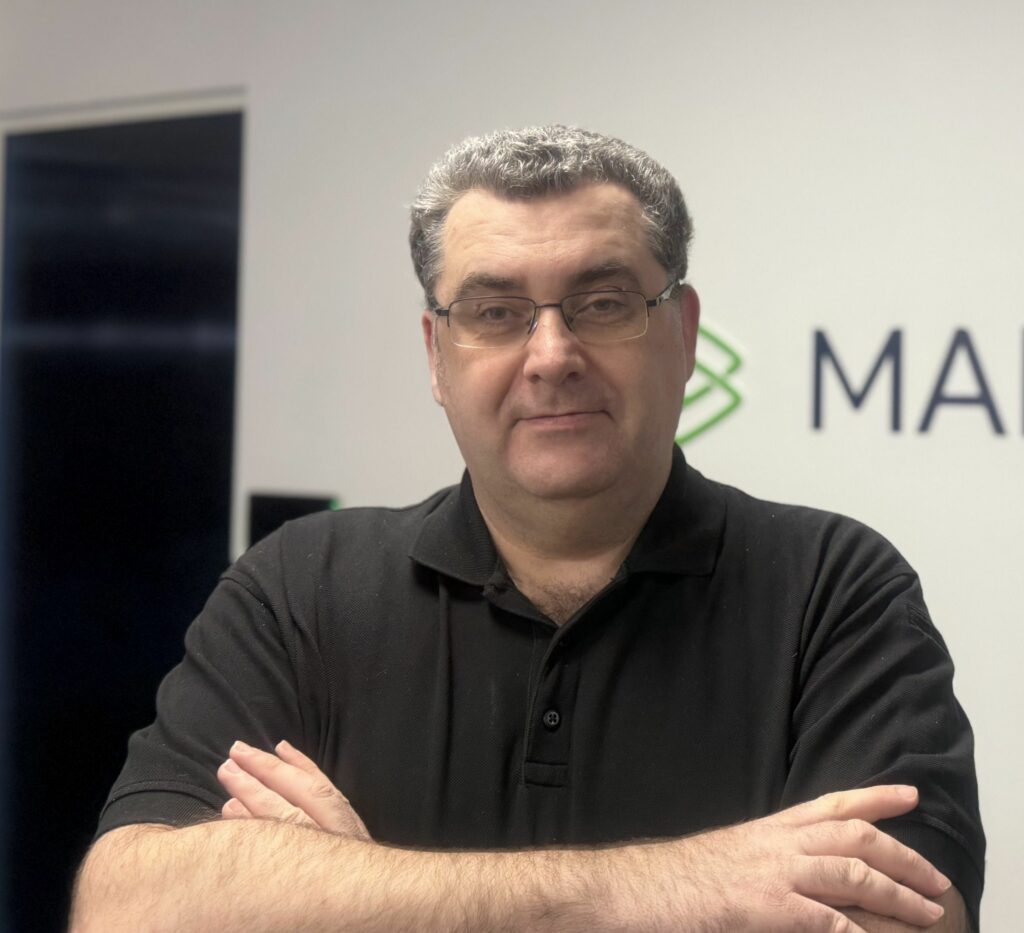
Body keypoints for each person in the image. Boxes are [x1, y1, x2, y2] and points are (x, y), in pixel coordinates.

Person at [70, 126, 984, 932]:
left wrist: (352, 893)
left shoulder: (834, 591)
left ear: (684, 332)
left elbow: (905, 919)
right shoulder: (298, 588)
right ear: (437, 353)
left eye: (604, 303)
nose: (551, 355)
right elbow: (125, 907)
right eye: (495, 312)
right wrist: (687, 886)